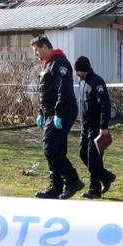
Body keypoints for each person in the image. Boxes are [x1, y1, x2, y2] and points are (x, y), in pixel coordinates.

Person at [32, 36, 84, 199]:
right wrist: (41, 112)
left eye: (37, 50)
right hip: (50, 111)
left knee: (50, 148)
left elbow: (64, 90)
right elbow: (46, 92)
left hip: (62, 110)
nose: (36, 54)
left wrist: (58, 113)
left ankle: (73, 180)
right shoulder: (47, 65)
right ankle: (56, 186)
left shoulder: (59, 63)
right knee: (56, 149)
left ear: (45, 47)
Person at [74, 56, 116, 199]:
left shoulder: (97, 82)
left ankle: (95, 190)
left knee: (93, 159)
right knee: (82, 154)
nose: (76, 74)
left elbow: (105, 105)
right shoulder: (83, 82)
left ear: (83, 70)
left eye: (77, 71)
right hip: (85, 127)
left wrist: (103, 126)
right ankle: (106, 176)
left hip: (96, 128)